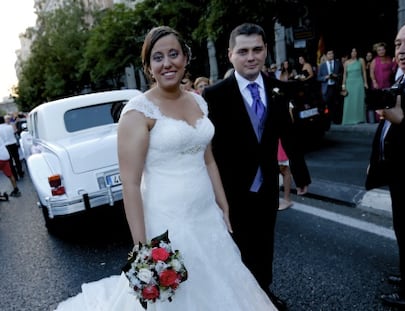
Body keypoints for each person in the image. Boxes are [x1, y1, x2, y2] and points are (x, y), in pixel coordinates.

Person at [54, 25, 279, 311]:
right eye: (158, 57)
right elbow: (131, 183)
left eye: (173, 54)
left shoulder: (199, 101)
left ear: (185, 57)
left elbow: (207, 158)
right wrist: (142, 250)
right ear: (149, 67)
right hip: (167, 223)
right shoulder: (137, 113)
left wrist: (222, 203)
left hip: (206, 215)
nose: (167, 63)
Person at [202, 23, 311, 311]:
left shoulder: (278, 88)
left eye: (257, 50)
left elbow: (288, 133)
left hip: (267, 188)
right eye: (243, 51)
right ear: (230, 55)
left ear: (265, 51)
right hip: (232, 191)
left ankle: (263, 295)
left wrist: (300, 172)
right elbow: (207, 147)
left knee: (265, 246)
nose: (251, 57)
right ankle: (241, 301)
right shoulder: (215, 95)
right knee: (238, 249)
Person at [365, 18, 405, 309]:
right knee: (404, 230)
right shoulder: (402, 79)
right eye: (398, 44)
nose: (402, 50)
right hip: (398, 172)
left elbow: (400, 122)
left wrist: (403, 122)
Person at [368, 42, 398, 123]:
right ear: (377, 51)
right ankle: (379, 119)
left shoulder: (389, 59)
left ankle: (386, 117)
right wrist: (374, 82)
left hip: (387, 83)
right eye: (379, 50)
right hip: (378, 83)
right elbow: (371, 72)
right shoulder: (375, 60)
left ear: (385, 50)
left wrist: (395, 62)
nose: (381, 51)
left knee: (386, 101)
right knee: (378, 101)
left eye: (382, 49)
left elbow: (393, 71)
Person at [341, 47, 368, 125]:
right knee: (349, 102)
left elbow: (364, 72)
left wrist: (365, 83)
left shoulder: (361, 60)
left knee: (359, 100)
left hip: (359, 82)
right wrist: (343, 85)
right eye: (352, 51)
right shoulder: (346, 62)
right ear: (350, 53)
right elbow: (345, 74)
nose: (354, 53)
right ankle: (348, 119)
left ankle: (359, 119)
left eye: (355, 51)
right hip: (349, 83)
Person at [317, 48, 344, 124]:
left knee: (336, 104)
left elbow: (342, 74)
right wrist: (325, 77)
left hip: (335, 86)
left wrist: (337, 76)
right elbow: (318, 78)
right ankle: (328, 121)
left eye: (332, 53)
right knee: (327, 105)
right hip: (327, 87)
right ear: (326, 55)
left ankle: (337, 120)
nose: (331, 55)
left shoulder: (338, 63)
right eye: (329, 54)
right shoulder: (322, 66)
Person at [0, 116, 24, 181]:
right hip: (13, 144)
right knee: (17, 159)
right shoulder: (10, 127)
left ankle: (15, 176)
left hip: (6, 146)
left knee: (10, 162)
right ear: (4, 120)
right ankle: (20, 172)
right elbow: (14, 132)